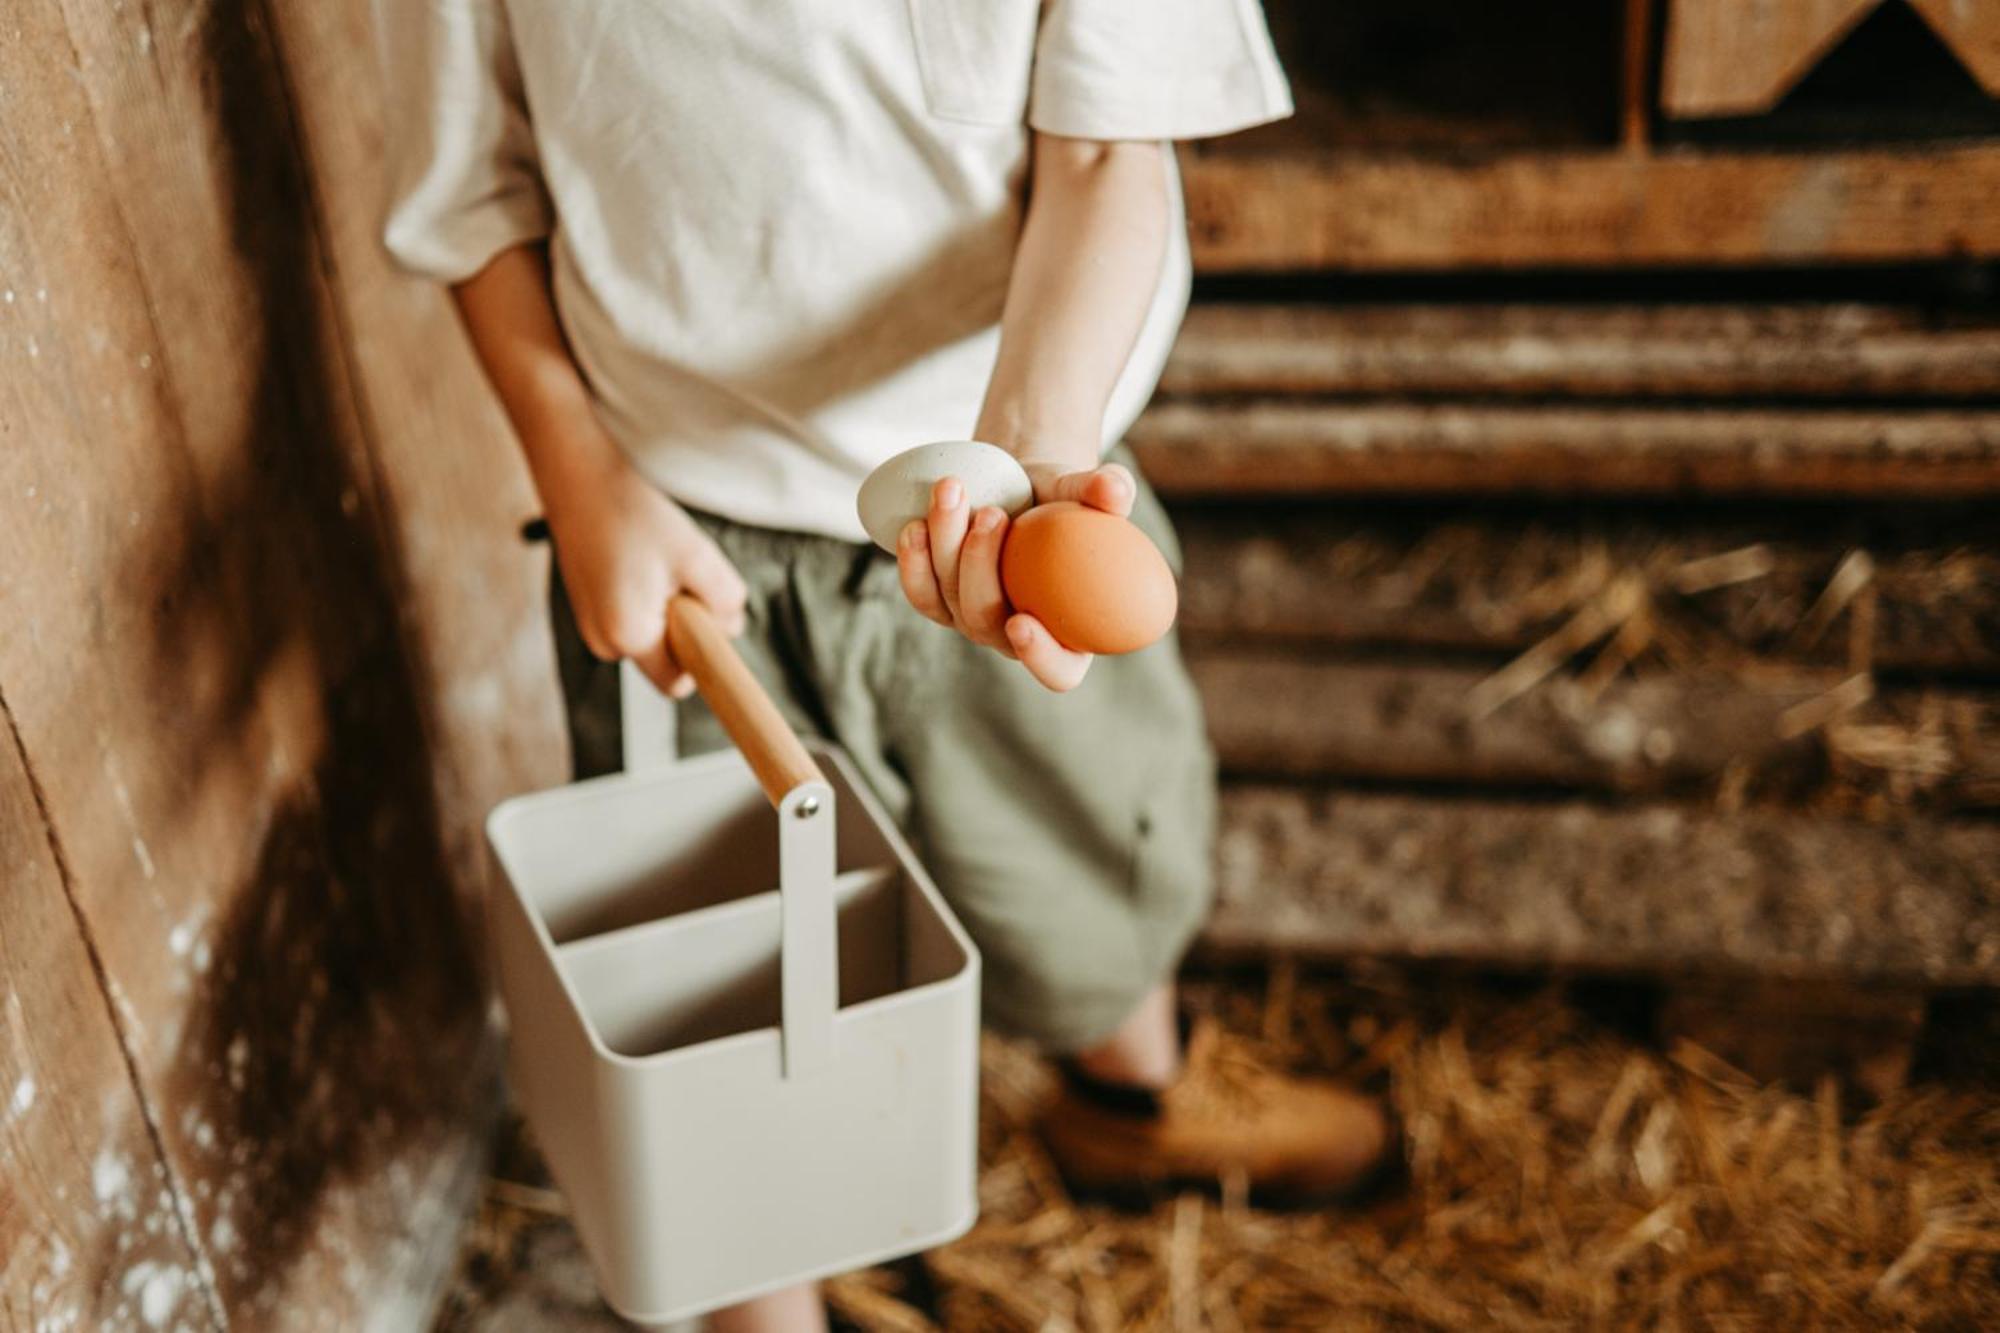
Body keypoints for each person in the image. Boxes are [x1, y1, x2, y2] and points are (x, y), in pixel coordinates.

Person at [375, 2, 1394, 1327]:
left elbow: (1103, 154)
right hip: (687, 529)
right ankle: (768, 1295)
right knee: (729, 977)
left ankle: (1135, 1098)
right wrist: (580, 474)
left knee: (1086, 844)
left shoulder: (1021, 483)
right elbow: (474, 199)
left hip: (1004, 481)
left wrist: (1028, 468)